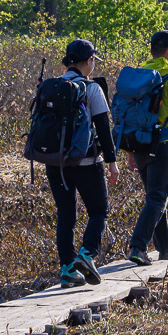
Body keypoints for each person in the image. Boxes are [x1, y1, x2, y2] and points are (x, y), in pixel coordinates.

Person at [47, 39, 117, 288]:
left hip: (55, 162)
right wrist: (112, 163)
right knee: (99, 211)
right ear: (88, 61)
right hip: (87, 162)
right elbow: (103, 129)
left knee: (66, 214)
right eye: (94, 60)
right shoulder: (92, 89)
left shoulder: (52, 87)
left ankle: (67, 270)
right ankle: (87, 255)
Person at [125, 29, 168, 264]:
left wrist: (129, 152)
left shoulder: (140, 75)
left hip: (139, 144)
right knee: (157, 197)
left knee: (155, 196)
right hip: (163, 145)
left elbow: (130, 115)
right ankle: (138, 246)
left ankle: (165, 249)